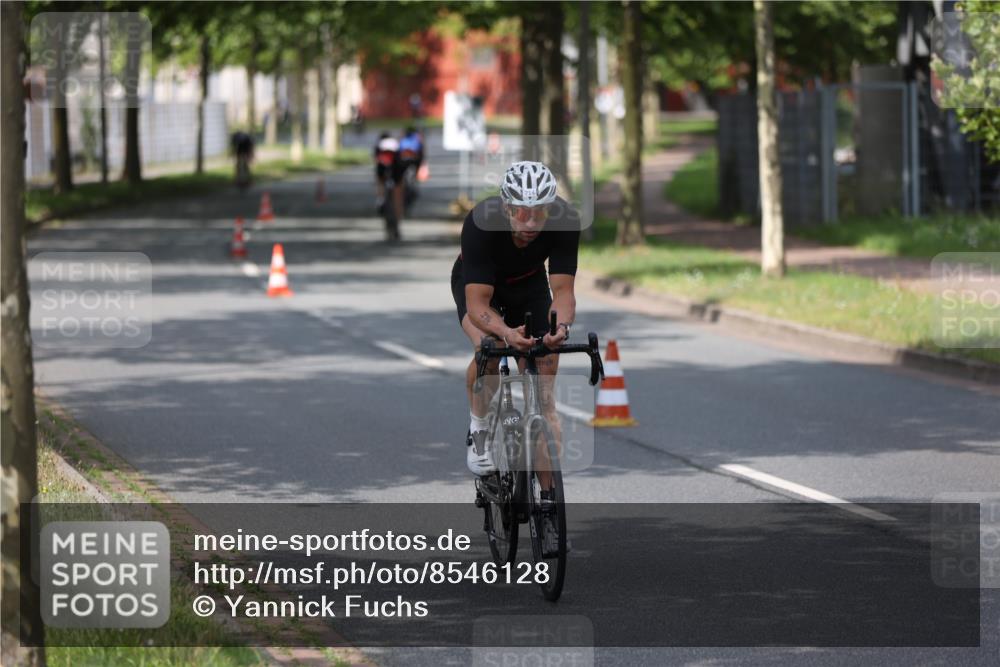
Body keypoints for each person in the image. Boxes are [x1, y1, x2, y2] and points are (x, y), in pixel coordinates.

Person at [450, 161, 580, 498]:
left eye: (541, 213)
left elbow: (564, 292)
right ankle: (479, 429)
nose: (532, 223)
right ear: (506, 206)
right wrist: (507, 333)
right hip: (480, 287)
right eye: (523, 213)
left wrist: (559, 329)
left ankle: (549, 503)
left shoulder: (565, 221)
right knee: (489, 351)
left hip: (529, 286)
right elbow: (478, 305)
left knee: (544, 394)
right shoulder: (481, 223)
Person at [373, 132, 405, 239]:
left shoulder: (379, 145)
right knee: (398, 195)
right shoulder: (395, 143)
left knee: (380, 182)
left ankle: (380, 198)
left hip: (383, 167)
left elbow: (376, 161)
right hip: (396, 168)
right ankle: (398, 218)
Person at [397, 126, 424, 210]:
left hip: (404, 163)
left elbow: (398, 152)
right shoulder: (417, 140)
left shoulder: (403, 140)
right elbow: (421, 153)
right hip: (413, 162)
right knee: (410, 179)